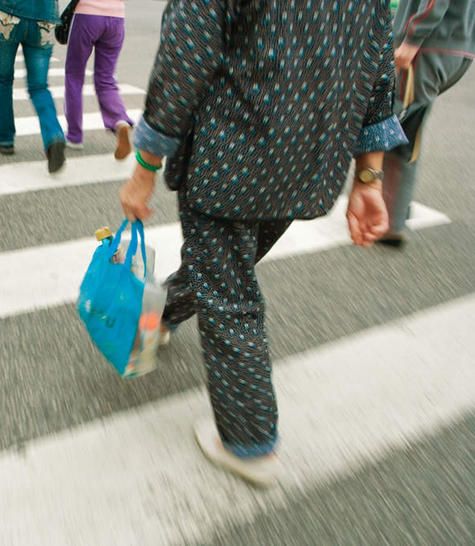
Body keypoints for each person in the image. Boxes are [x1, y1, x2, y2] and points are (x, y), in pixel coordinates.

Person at [119, 1, 407, 487]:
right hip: (308, 163)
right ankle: (158, 318)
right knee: (223, 267)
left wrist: (144, 168)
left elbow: (185, 57)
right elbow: (377, 72)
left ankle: (248, 441)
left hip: (231, 154)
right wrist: (370, 179)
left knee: (229, 294)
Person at [380, 0, 474, 246]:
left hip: (429, 46)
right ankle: (395, 208)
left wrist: (411, 38)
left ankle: (390, 220)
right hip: (456, 45)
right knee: (407, 126)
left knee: (393, 128)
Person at [0, 0, 66, 173]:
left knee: (2, 80)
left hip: (8, 13)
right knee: (39, 87)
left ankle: (3, 138)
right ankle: (54, 135)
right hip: (44, 19)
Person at [64, 0, 134, 160]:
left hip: (87, 15)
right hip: (117, 17)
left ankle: (74, 135)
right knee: (106, 78)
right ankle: (120, 120)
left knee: (74, 75)